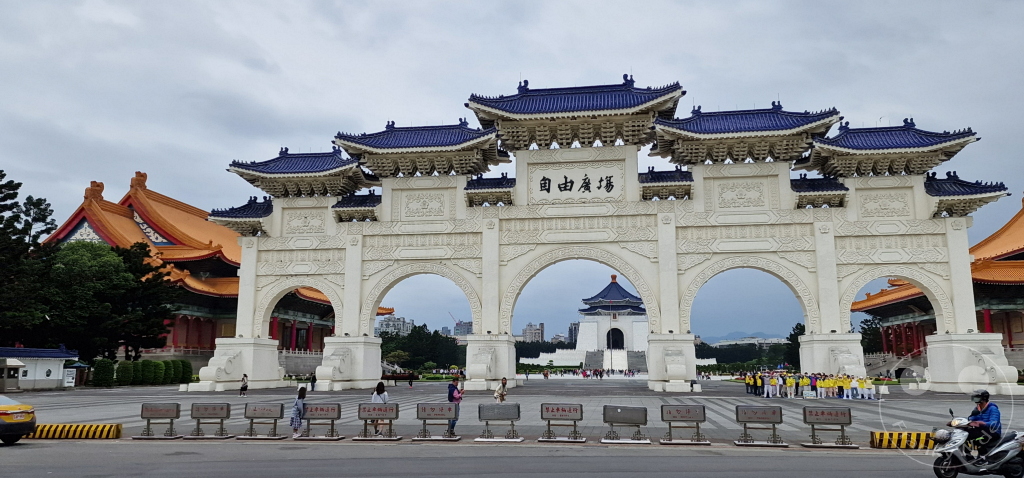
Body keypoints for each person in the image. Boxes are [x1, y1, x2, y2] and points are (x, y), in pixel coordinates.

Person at [966, 389, 1002, 462]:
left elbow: (994, 423)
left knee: (979, 439)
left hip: (993, 432)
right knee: (966, 434)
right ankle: (968, 456)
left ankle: (983, 457)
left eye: (977, 397)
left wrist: (981, 423)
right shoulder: (977, 408)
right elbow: (971, 418)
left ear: (984, 398)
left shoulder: (993, 409)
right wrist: (959, 422)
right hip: (983, 430)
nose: (975, 399)